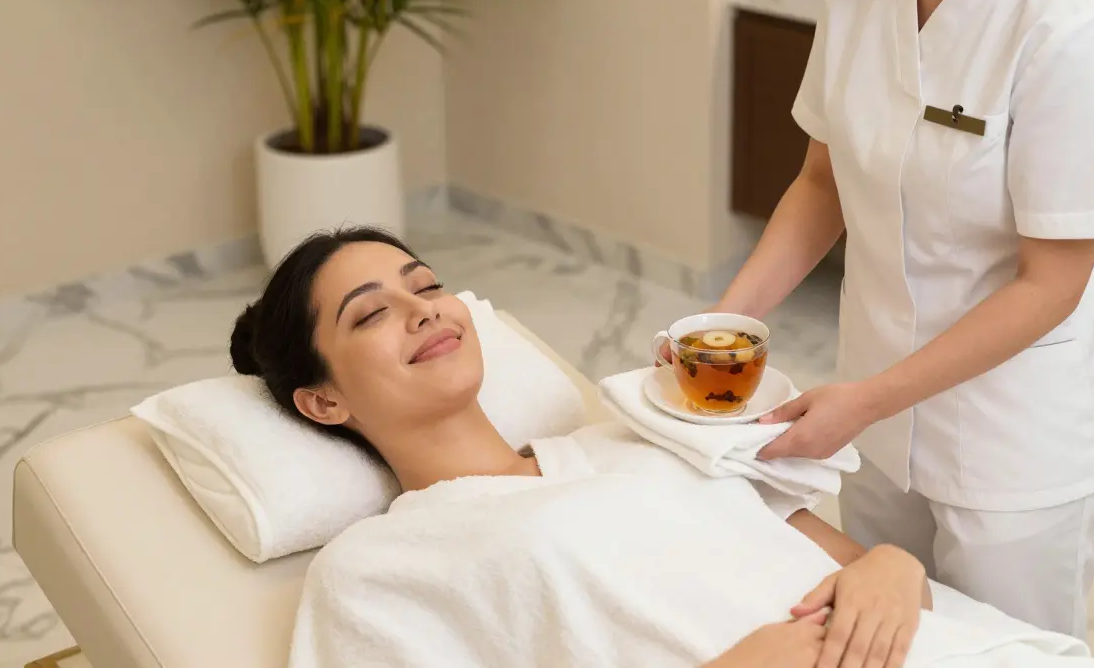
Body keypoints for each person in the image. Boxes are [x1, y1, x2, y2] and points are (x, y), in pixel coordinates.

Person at [684, 0, 1094, 639]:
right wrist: (721, 327)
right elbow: (821, 182)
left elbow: (1051, 283)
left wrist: (865, 401)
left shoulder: (1067, 16)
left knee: (1004, 653)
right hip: (873, 416)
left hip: (1011, 441)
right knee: (885, 638)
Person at [230, 228, 933, 668]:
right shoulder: (374, 567)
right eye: (373, 313)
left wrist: (894, 568)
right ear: (324, 401)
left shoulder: (637, 437)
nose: (424, 310)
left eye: (428, 287)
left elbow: (862, 567)